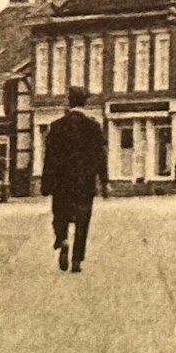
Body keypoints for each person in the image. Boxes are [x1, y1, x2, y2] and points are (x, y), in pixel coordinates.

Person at [41, 86, 108, 273]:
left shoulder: (57, 126)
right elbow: (100, 156)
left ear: (69, 102)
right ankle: (77, 259)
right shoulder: (93, 126)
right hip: (85, 182)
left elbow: (50, 157)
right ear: (85, 102)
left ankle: (62, 239)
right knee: (83, 219)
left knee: (59, 214)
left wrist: (46, 183)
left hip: (62, 181)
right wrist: (104, 181)